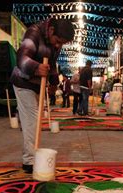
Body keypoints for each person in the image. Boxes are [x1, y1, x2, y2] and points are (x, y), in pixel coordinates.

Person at [10, 18, 75, 173]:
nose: (58, 45)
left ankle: (31, 156)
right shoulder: (34, 33)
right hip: (23, 81)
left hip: (37, 85)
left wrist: (53, 84)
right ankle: (29, 162)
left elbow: (52, 65)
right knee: (32, 121)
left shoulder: (55, 44)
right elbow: (21, 59)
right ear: (51, 30)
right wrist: (36, 67)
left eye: (62, 43)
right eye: (58, 41)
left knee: (36, 120)